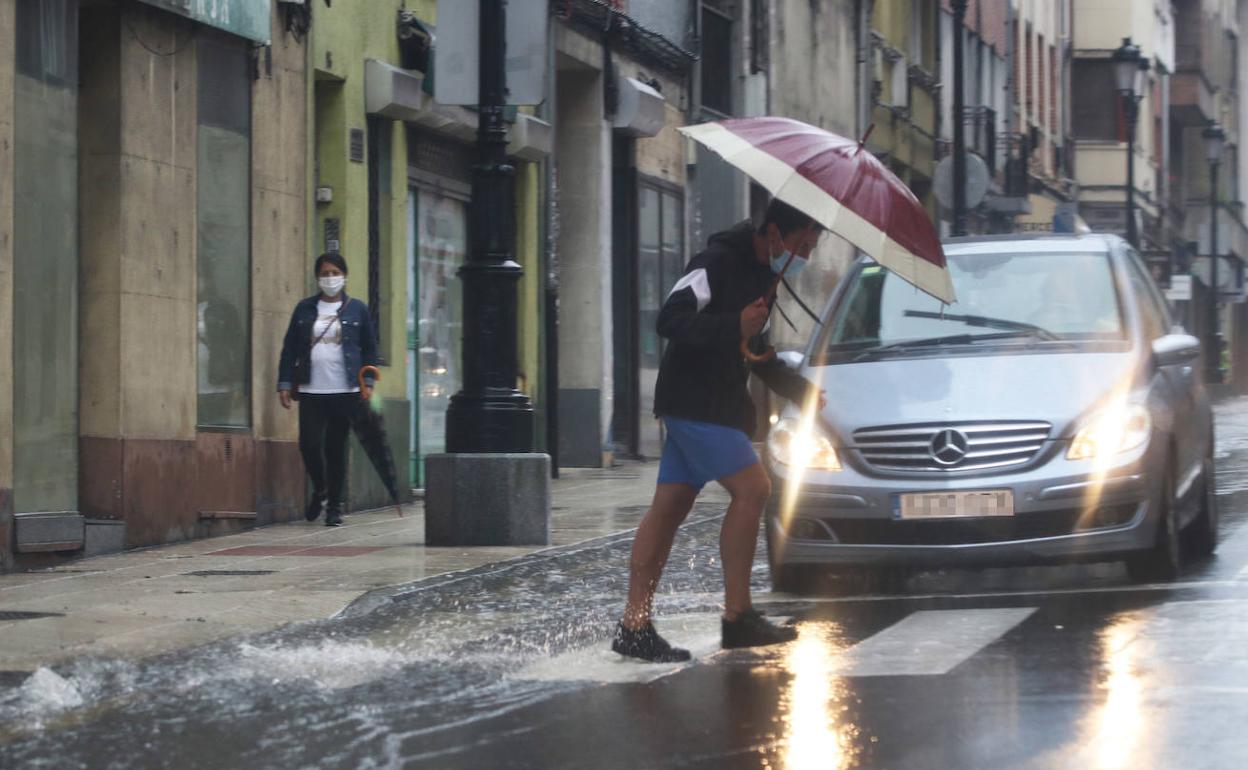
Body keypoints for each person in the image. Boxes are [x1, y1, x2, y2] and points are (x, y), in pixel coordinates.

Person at [612, 199, 827, 662]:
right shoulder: (715, 262)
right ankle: (738, 616)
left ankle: (634, 624)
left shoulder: (763, 276)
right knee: (754, 489)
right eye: (800, 244)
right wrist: (735, 324)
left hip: (716, 405)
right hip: (696, 403)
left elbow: (757, 350)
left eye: (811, 246)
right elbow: (669, 319)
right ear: (773, 234)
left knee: (669, 509)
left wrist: (801, 390)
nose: (805, 255)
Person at [277, 253, 379, 527]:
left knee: (336, 447)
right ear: (317, 277)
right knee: (308, 444)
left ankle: (334, 506)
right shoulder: (304, 309)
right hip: (311, 389)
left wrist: (367, 383)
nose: (330, 278)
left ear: (344, 275)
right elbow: (289, 348)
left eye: (335, 272)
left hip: (345, 389)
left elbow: (370, 348)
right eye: (325, 273)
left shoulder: (357, 309)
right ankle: (320, 489)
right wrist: (285, 384)